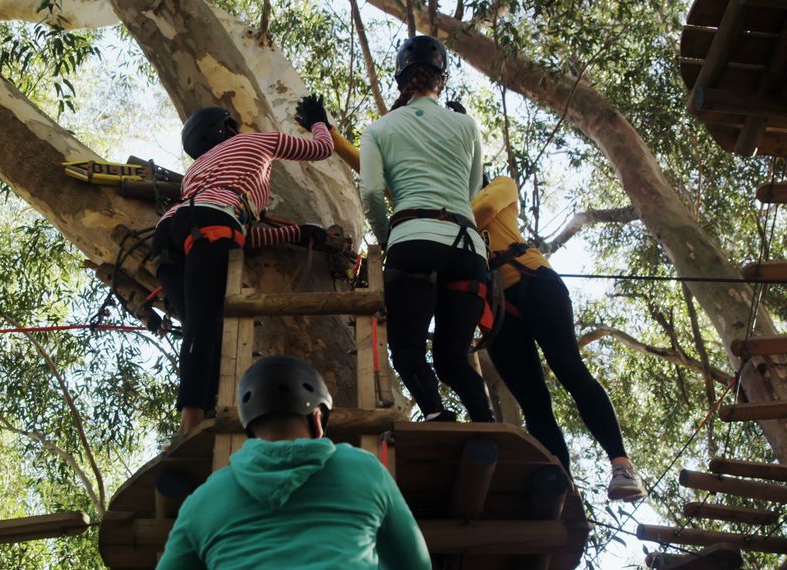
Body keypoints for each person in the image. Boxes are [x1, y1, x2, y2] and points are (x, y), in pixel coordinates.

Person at [151, 103, 334, 434]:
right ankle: (191, 425)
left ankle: (203, 412)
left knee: (201, 326)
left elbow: (236, 236)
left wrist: (296, 232)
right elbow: (322, 149)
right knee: (206, 323)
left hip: (168, 233)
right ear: (227, 128)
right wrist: (319, 122)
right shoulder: (258, 142)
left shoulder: (195, 172)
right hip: (213, 224)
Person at [157, 356, 431, 569]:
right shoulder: (365, 469)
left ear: (250, 429)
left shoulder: (204, 499)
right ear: (316, 419)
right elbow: (417, 565)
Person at [472, 175, 647, 501]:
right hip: (494, 305)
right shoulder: (443, 205)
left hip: (534, 279)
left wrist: (441, 222)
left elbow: (484, 208)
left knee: (568, 366)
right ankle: (562, 488)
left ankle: (622, 466)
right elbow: (388, 180)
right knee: (533, 402)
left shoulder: (500, 185)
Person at [357, 35, 495, 423]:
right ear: (442, 79)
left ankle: (435, 412)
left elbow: (369, 190)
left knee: (407, 348)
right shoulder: (466, 125)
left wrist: (388, 238)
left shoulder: (379, 129)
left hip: (412, 242)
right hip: (467, 247)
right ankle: (485, 422)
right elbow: (470, 192)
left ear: (400, 80)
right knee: (452, 357)